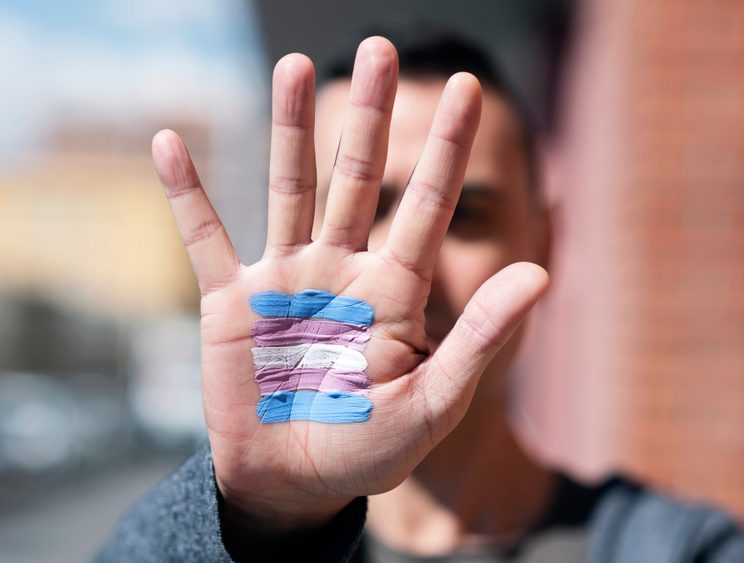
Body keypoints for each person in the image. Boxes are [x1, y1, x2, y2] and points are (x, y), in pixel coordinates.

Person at [95, 31, 744, 562]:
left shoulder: (674, 547)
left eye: (464, 216)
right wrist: (271, 515)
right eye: (360, 213)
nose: (410, 271)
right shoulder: (218, 536)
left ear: (544, 238)